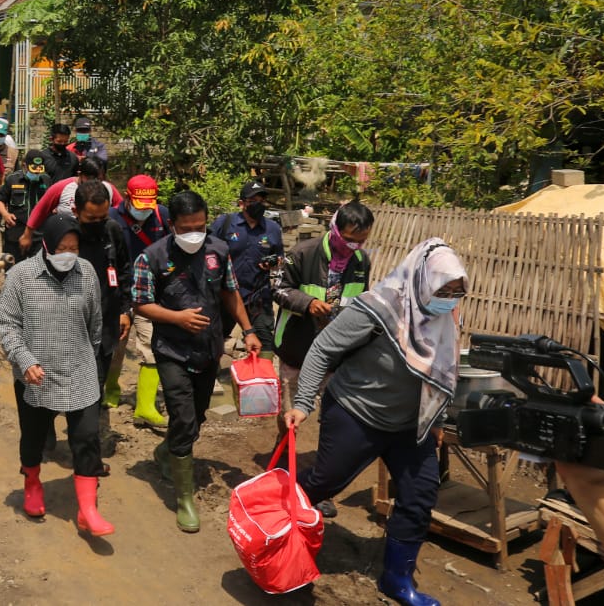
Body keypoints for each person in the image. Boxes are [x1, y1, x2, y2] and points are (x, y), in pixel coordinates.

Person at [284, 238, 468, 606]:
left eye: (455, 291)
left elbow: (442, 374)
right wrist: (304, 403)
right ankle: (279, 527)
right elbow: (322, 349)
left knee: (419, 496)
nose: (448, 297)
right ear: (420, 280)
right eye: (442, 289)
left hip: (408, 425)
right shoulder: (378, 308)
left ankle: (397, 579)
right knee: (326, 481)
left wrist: (436, 421)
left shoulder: (443, 318)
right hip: (357, 410)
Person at [131, 190, 261, 533]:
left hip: (208, 345)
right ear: (172, 225)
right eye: (187, 227)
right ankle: (185, 499)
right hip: (171, 348)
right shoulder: (151, 257)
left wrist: (248, 330)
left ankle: (167, 451)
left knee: (199, 414)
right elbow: (141, 304)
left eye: (200, 226)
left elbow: (230, 292)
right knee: (183, 415)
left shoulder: (218, 250)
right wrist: (177, 318)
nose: (195, 233)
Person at [0, 214, 114, 536]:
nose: (68, 253)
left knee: (87, 437)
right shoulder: (21, 276)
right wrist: (24, 359)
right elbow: (7, 325)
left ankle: (88, 509)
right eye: (62, 247)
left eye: (73, 247)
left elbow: (95, 324)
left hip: (79, 369)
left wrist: (88, 357)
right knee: (34, 437)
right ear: (46, 244)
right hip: (36, 375)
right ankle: (32, 482)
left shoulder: (86, 272)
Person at [272, 199, 375, 518]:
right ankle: (280, 476)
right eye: (349, 238)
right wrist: (308, 303)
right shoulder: (304, 252)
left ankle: (319, 487)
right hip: (298, 348)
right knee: (290, 418)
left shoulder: (361, 261)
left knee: (333, 422)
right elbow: (277, 289)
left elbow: (362, 302)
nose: (354, 245)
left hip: (337, 354)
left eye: (361, 239)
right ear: (335, 229)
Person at [72, 182, 132, 458]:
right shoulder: (65, 235)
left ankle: (86, 444)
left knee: (95, 382)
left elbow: (124, 270)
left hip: (106, 321)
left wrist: (124, 310)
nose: (97, 223)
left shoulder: (113, 231)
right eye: (90, 219)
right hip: (70, 323)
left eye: (102, 217)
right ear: (76, 211)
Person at [106, 174, 171, 428]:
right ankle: (109, 390)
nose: (144, 212)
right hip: (119, 291)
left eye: (149, 207)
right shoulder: (112, 218)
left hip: (149, 293)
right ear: (128, 198)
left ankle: (145, 406)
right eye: (139, 206)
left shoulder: (161, 215)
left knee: (151, 346)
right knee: (114, 346)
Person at [210, 180, 283, 351]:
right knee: (213, 339)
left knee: (265, 343)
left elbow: (279, 257)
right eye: (253, 201)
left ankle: (261, 376)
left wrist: (273, 263)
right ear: (242, 203)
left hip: (257, 297)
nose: (258, 205)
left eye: (261, 201)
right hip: (225, 295)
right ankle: (213, 373)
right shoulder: (225, 223)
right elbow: (208, 252)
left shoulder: (272, 229)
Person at [18, 157, 123, 255]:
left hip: (98, 241)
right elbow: (41, 209)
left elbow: (121, 210)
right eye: (90, 179)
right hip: (67, 243)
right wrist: (27, 235)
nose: (94, 183)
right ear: (80, 174)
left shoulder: (109, 189)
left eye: (98, 179)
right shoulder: (62, 187)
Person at [0, 150, 51, 261]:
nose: (36, 174)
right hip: (16, 232)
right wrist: (5, 214)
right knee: (12, 268)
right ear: (25, 165)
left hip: (38, 234)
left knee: (38, 267)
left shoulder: (46, 180)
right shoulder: (12, 179)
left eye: (38, 171)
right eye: (33, 170)